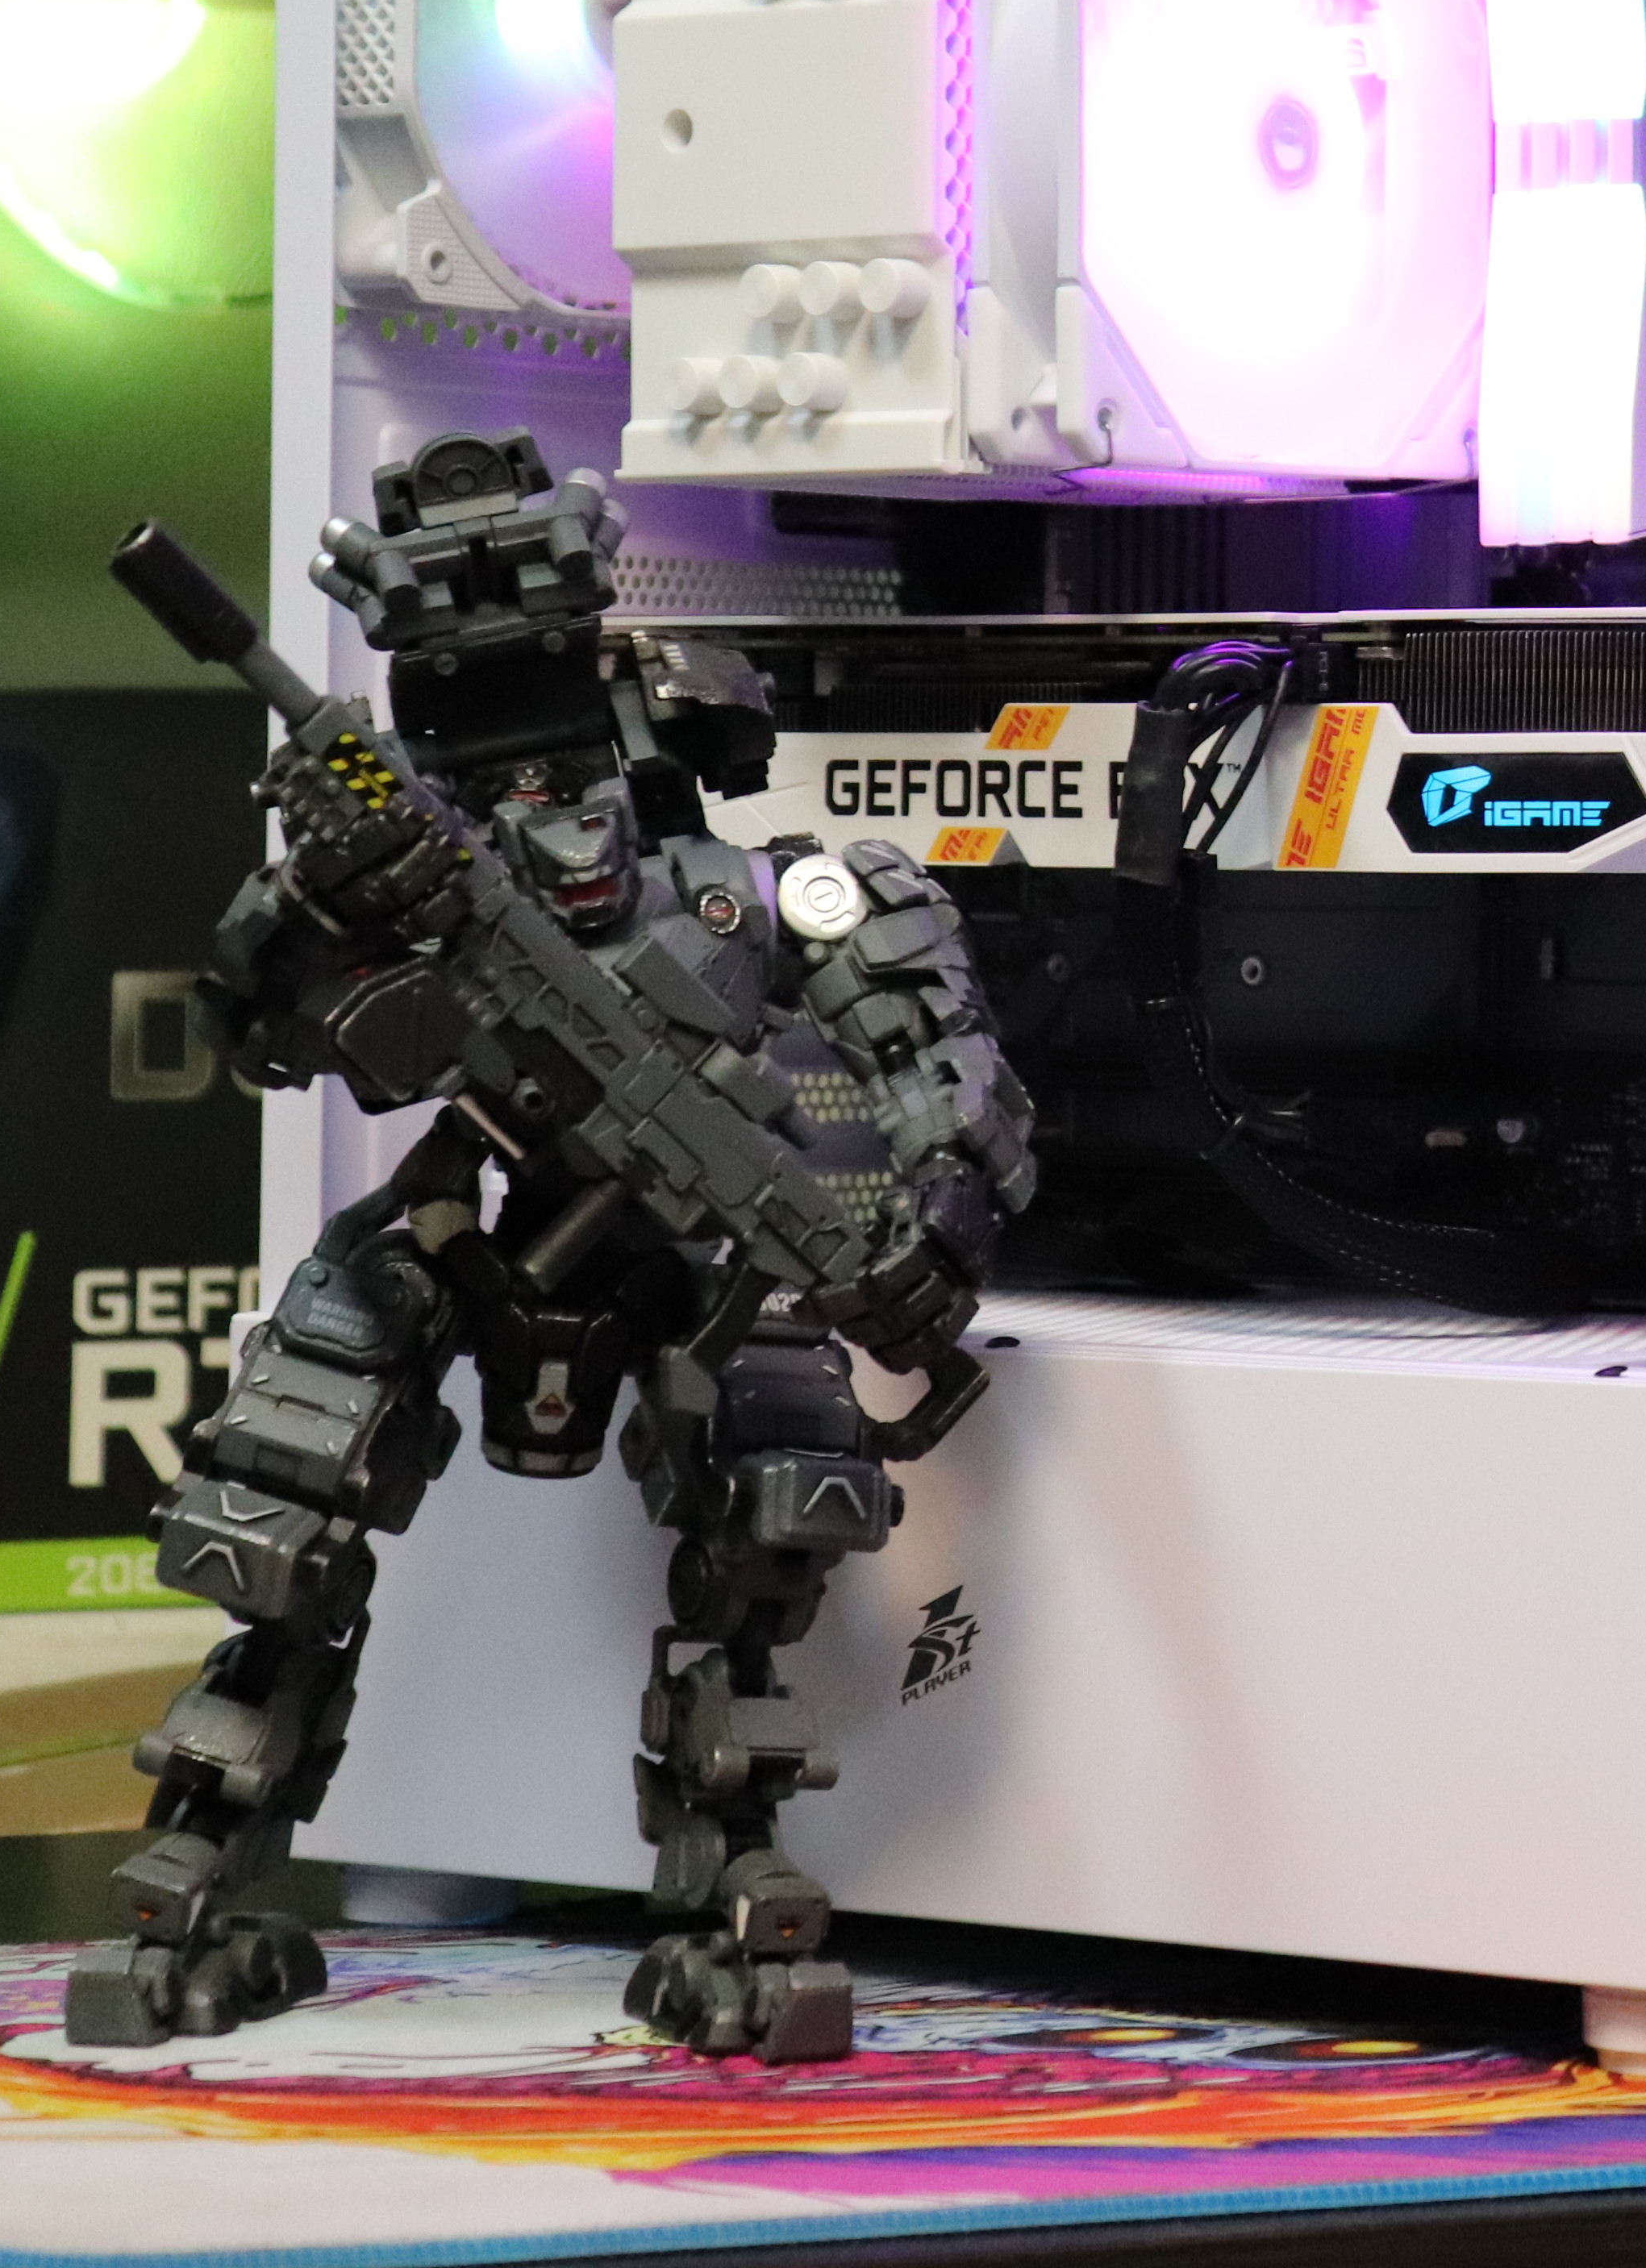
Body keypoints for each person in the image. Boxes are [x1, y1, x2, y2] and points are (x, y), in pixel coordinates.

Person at [73, 434, 1028, 2062]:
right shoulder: (401, 853)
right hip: (474, 1212)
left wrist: (930, 1222)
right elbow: (261, 1034)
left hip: (690, 1252)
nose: (554, 813)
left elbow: (943, 1057)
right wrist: (327, 909)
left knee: (768, 1531)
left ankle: (734, 1877)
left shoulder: (743, 886)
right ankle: (192, 1872)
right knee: (282, 1502)